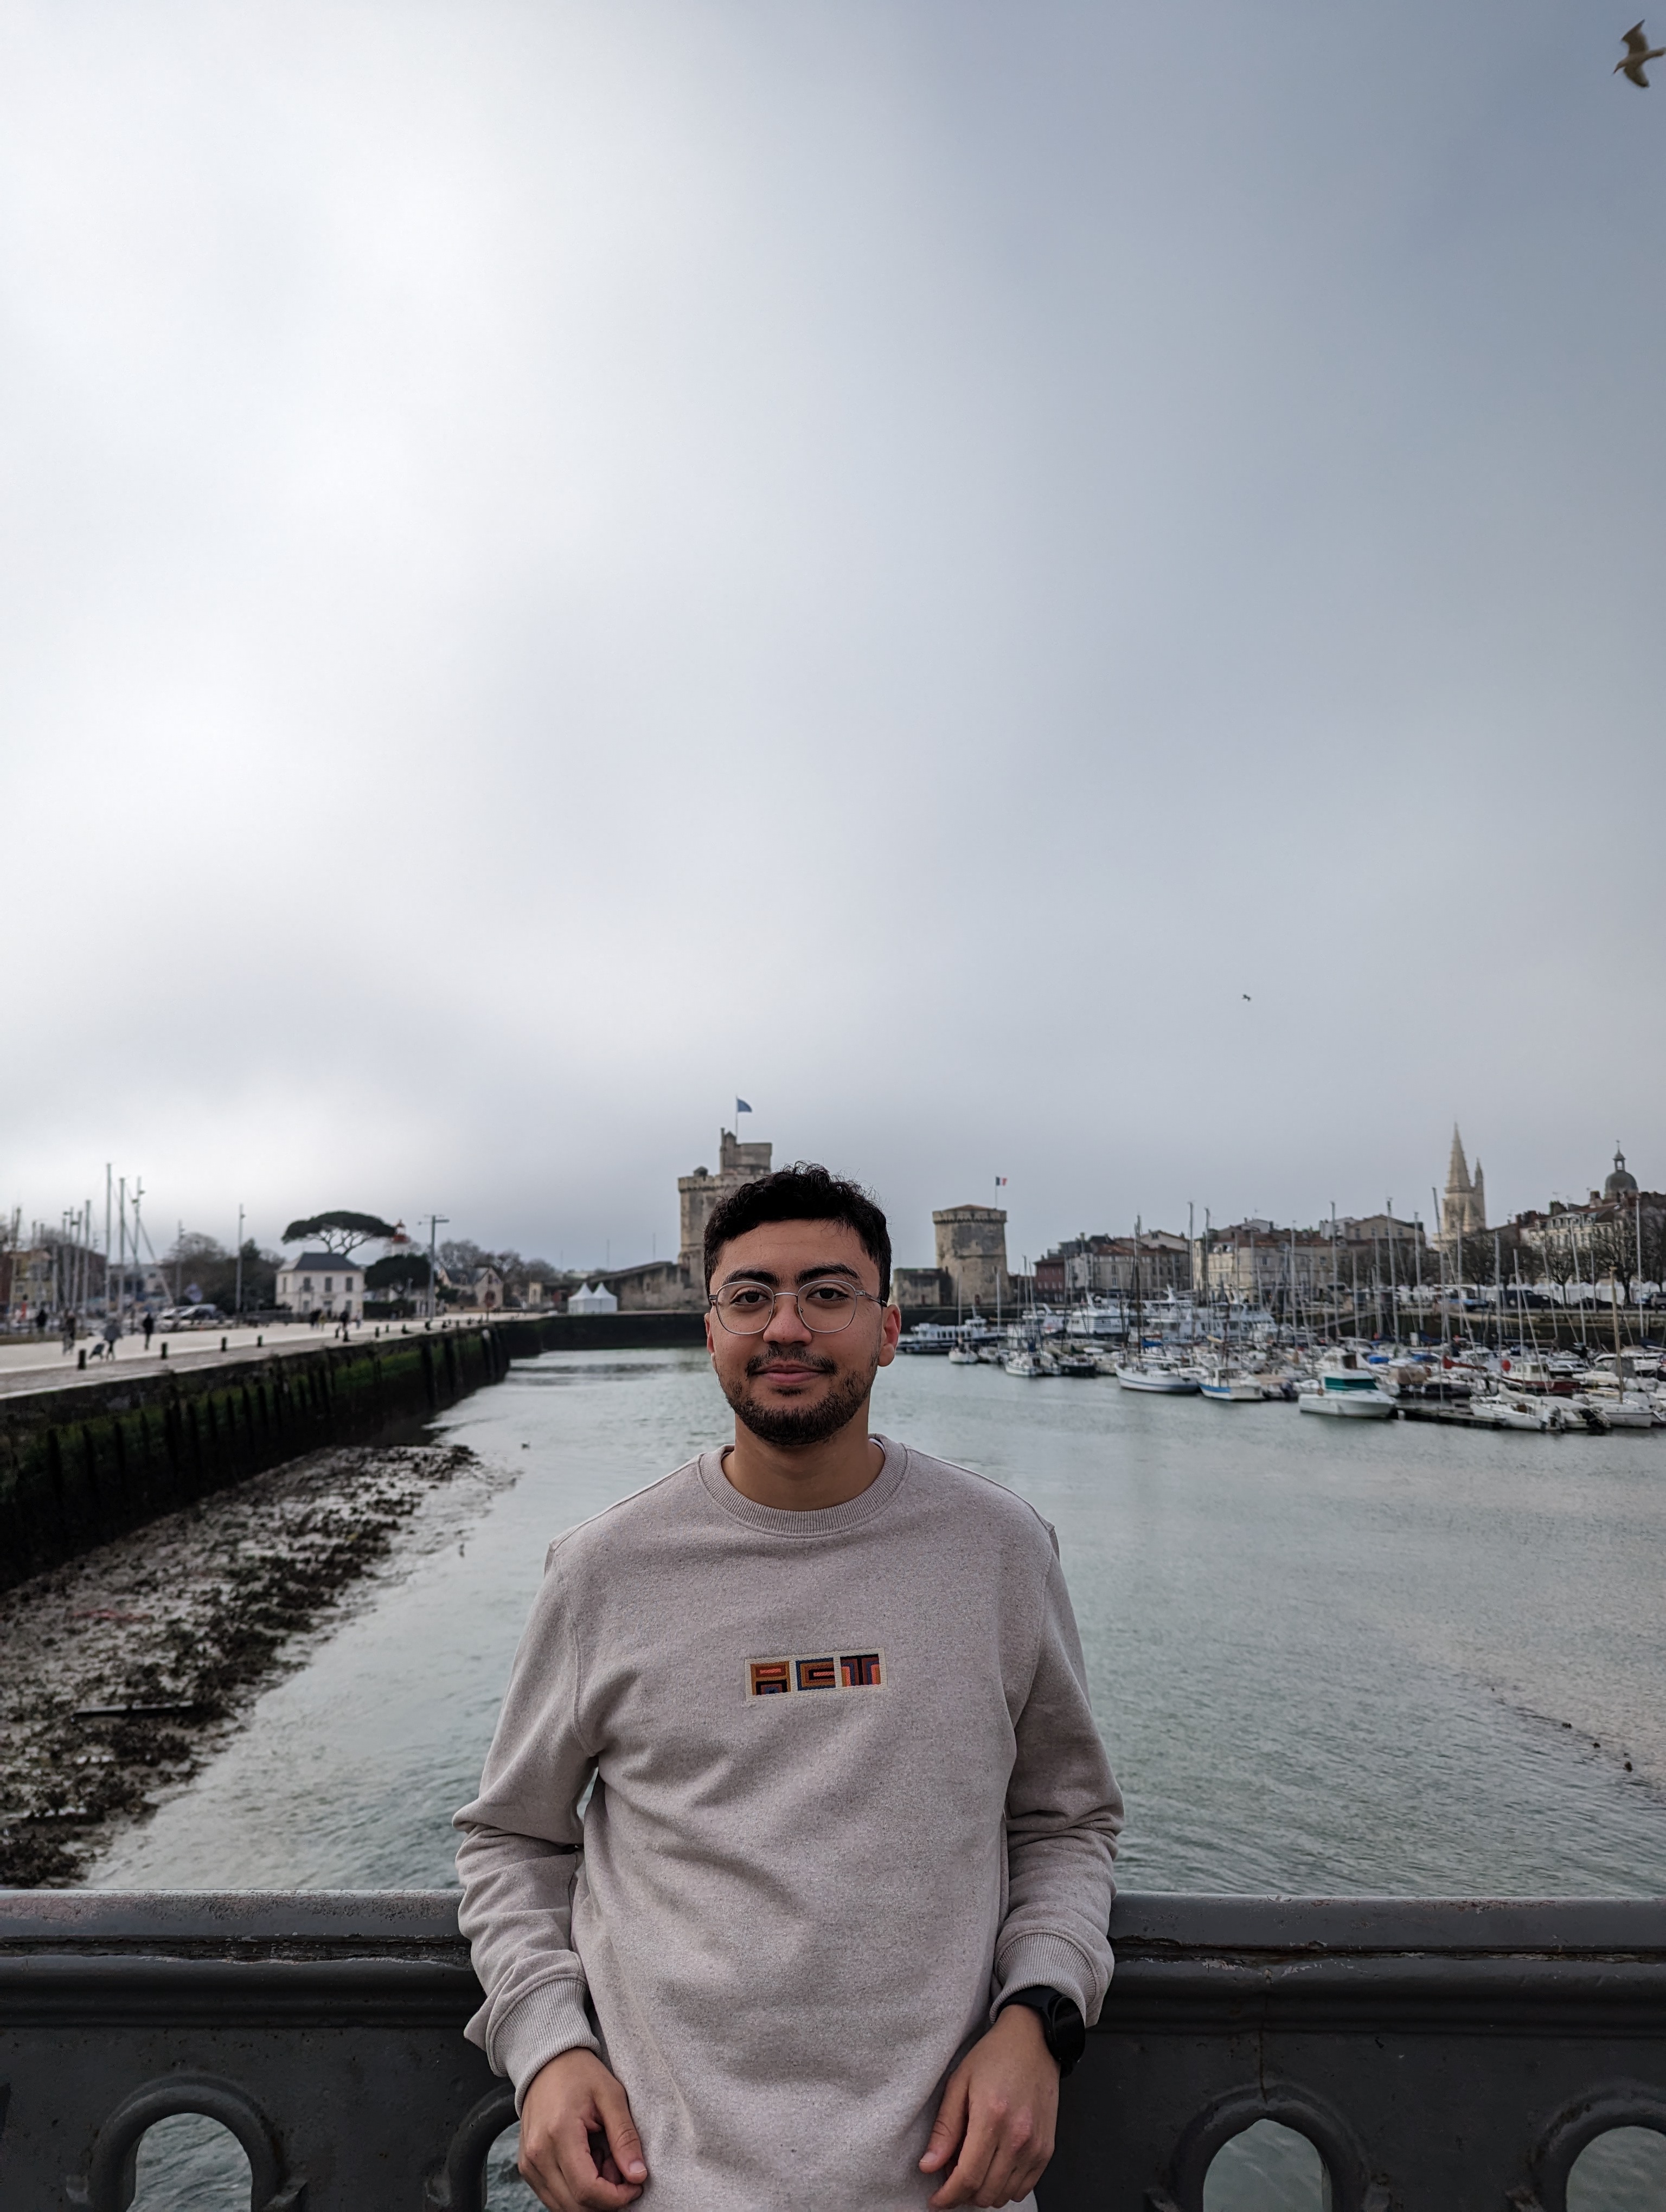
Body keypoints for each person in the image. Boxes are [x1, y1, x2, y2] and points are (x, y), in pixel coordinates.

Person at [456, 1164, 1122, 2212]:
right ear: (710, 1330)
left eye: (828, 1293)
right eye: (751, 1296)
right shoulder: (603, 1572)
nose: (787, 1328)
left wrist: (1039, 2015)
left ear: (890, 1329)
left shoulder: (1001, 1550)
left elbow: (1067, 1821)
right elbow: (512, 1840)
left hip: (950, 2187)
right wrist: (546, 2045)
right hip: (659, 2183)